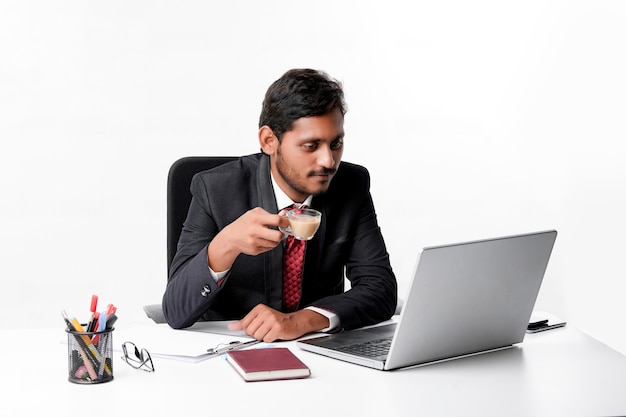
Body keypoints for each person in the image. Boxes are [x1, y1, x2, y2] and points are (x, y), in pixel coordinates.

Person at [162, 68, 397, 342]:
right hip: (227, 352)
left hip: (317, 351)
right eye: (311, 146)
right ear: (269, 141)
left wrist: (302, 320)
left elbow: (380, 289)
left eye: (336, 144)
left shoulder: (351, 185)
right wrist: (225, 244)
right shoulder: (214, 189)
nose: (328, 161)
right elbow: (175, 311)